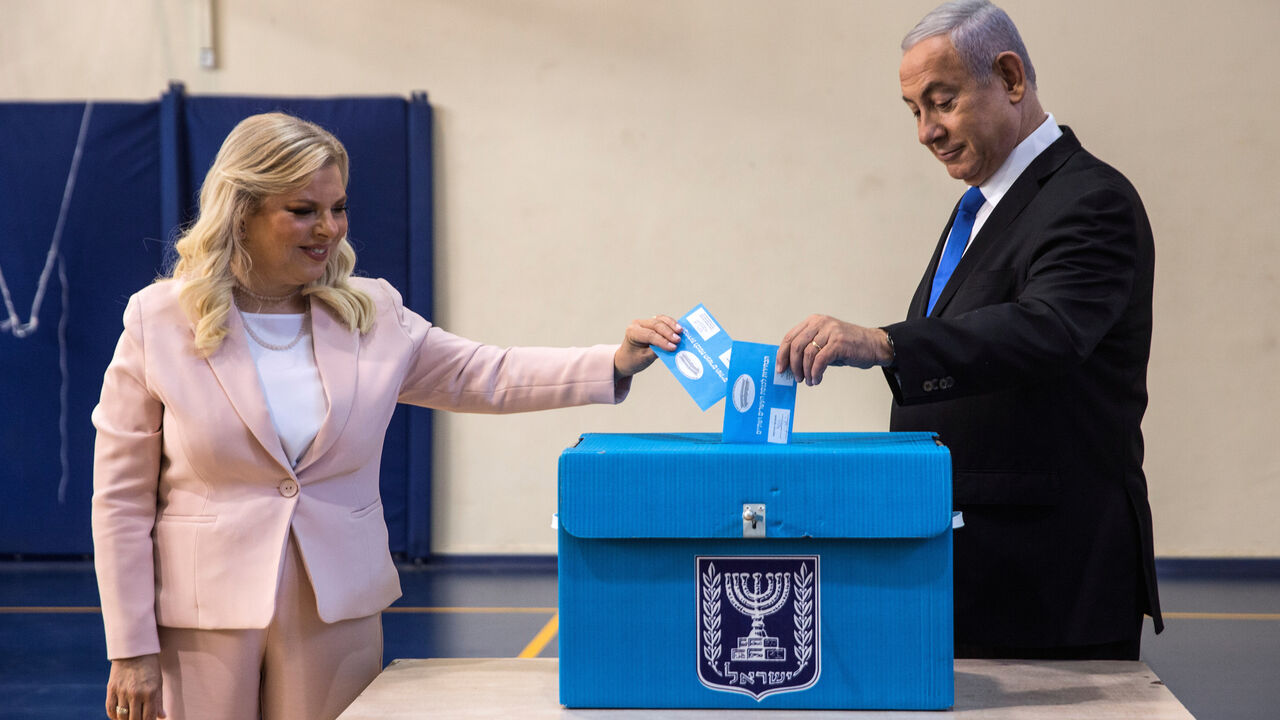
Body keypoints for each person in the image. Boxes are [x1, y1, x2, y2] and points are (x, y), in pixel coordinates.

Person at [91, 111, 682, 720]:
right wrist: (130, 649)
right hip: (198, 615)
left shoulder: (372, 311)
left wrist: (614, 360)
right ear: (241, 210)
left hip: (337, 604)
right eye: (303, 210)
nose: (329, 228)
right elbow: (120, 500)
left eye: (338, 207)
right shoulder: (156, 319)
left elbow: (488, 373)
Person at [777, 0, 1161, 659]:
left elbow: (1047, 330)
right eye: (914, 111)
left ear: (1010, 78)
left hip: (1049, 574)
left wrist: (888, 342)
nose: (926, 130)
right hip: (974, 560)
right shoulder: (981, 208)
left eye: (941, 100)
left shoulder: (1090, 200)